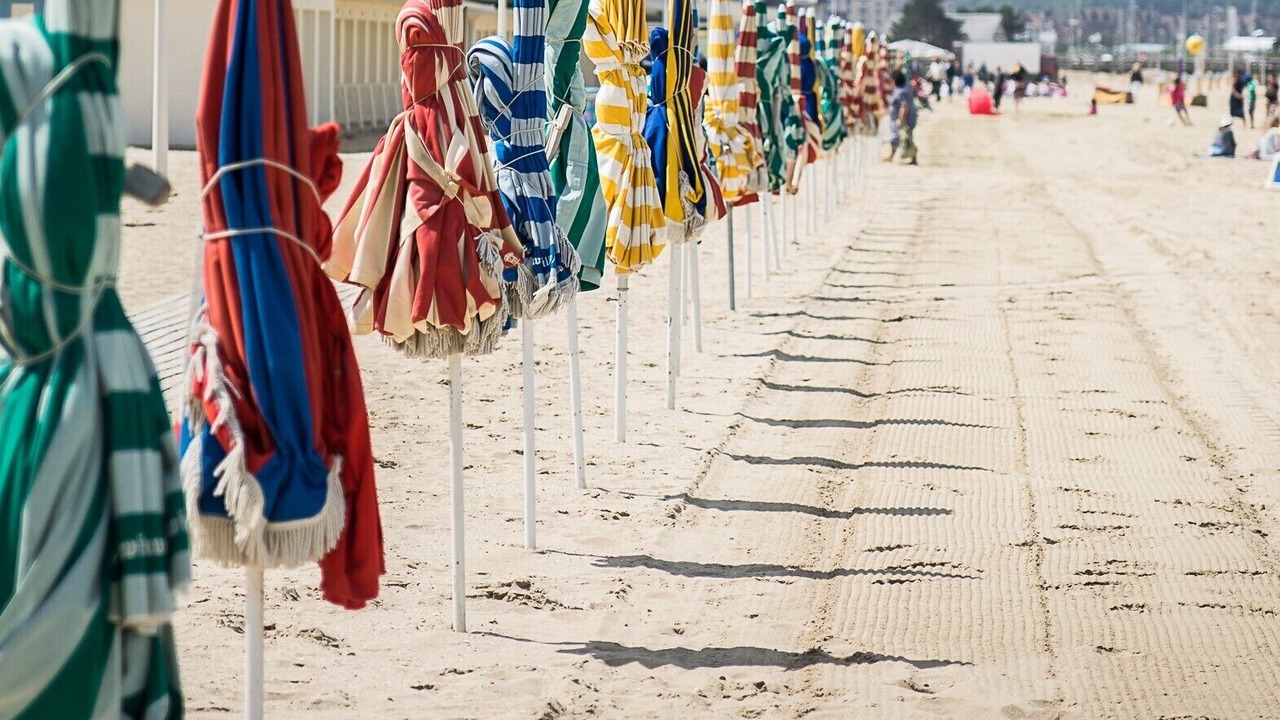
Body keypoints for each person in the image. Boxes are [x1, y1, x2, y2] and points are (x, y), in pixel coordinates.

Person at [885, 70, 919, 165]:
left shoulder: (901, 91)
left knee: (899, 137)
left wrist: (901, 119)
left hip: (904, 120)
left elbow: (904, 106)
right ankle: (912, 158)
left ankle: (892, 156)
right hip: (908, 119)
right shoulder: (905, 87)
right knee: (907, 138)